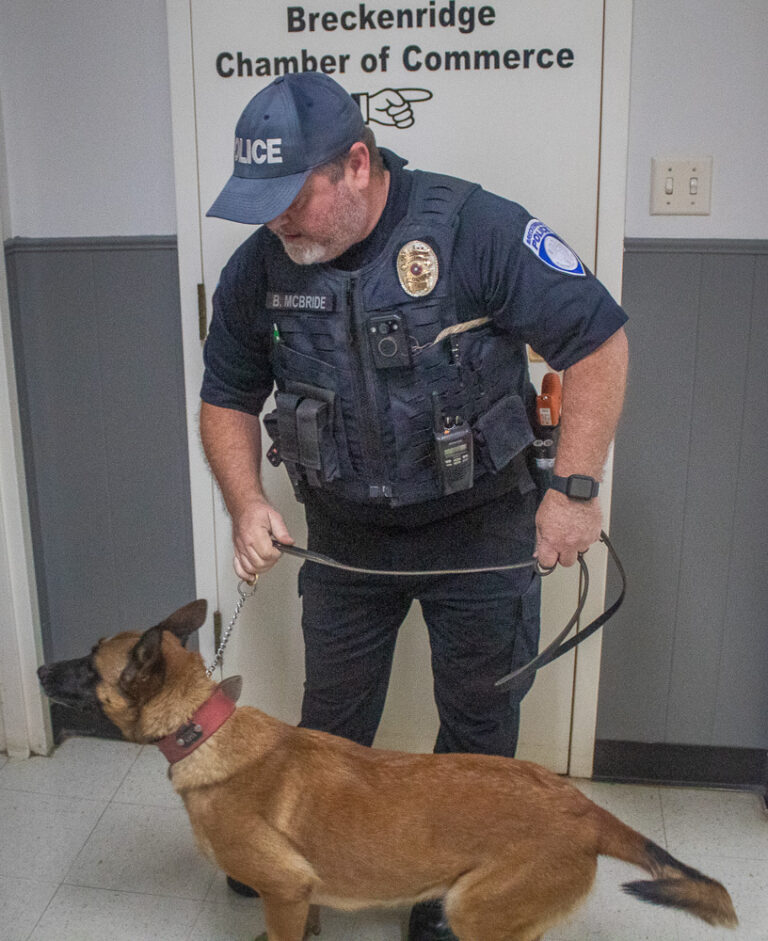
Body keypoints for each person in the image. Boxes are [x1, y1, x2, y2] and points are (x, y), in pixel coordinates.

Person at [200, 71, 628, 941]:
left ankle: (448, 884)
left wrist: (575, 490)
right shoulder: (260, 268)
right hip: (350, 538)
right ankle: (296, 869)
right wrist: (246, 502)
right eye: (262, 202)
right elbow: (225, 396)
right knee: (333, 720)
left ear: (357, 164)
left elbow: (597, 340)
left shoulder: (475, 229)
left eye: (293, 197)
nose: (276, 220)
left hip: (481, 525)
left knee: (476, 724)